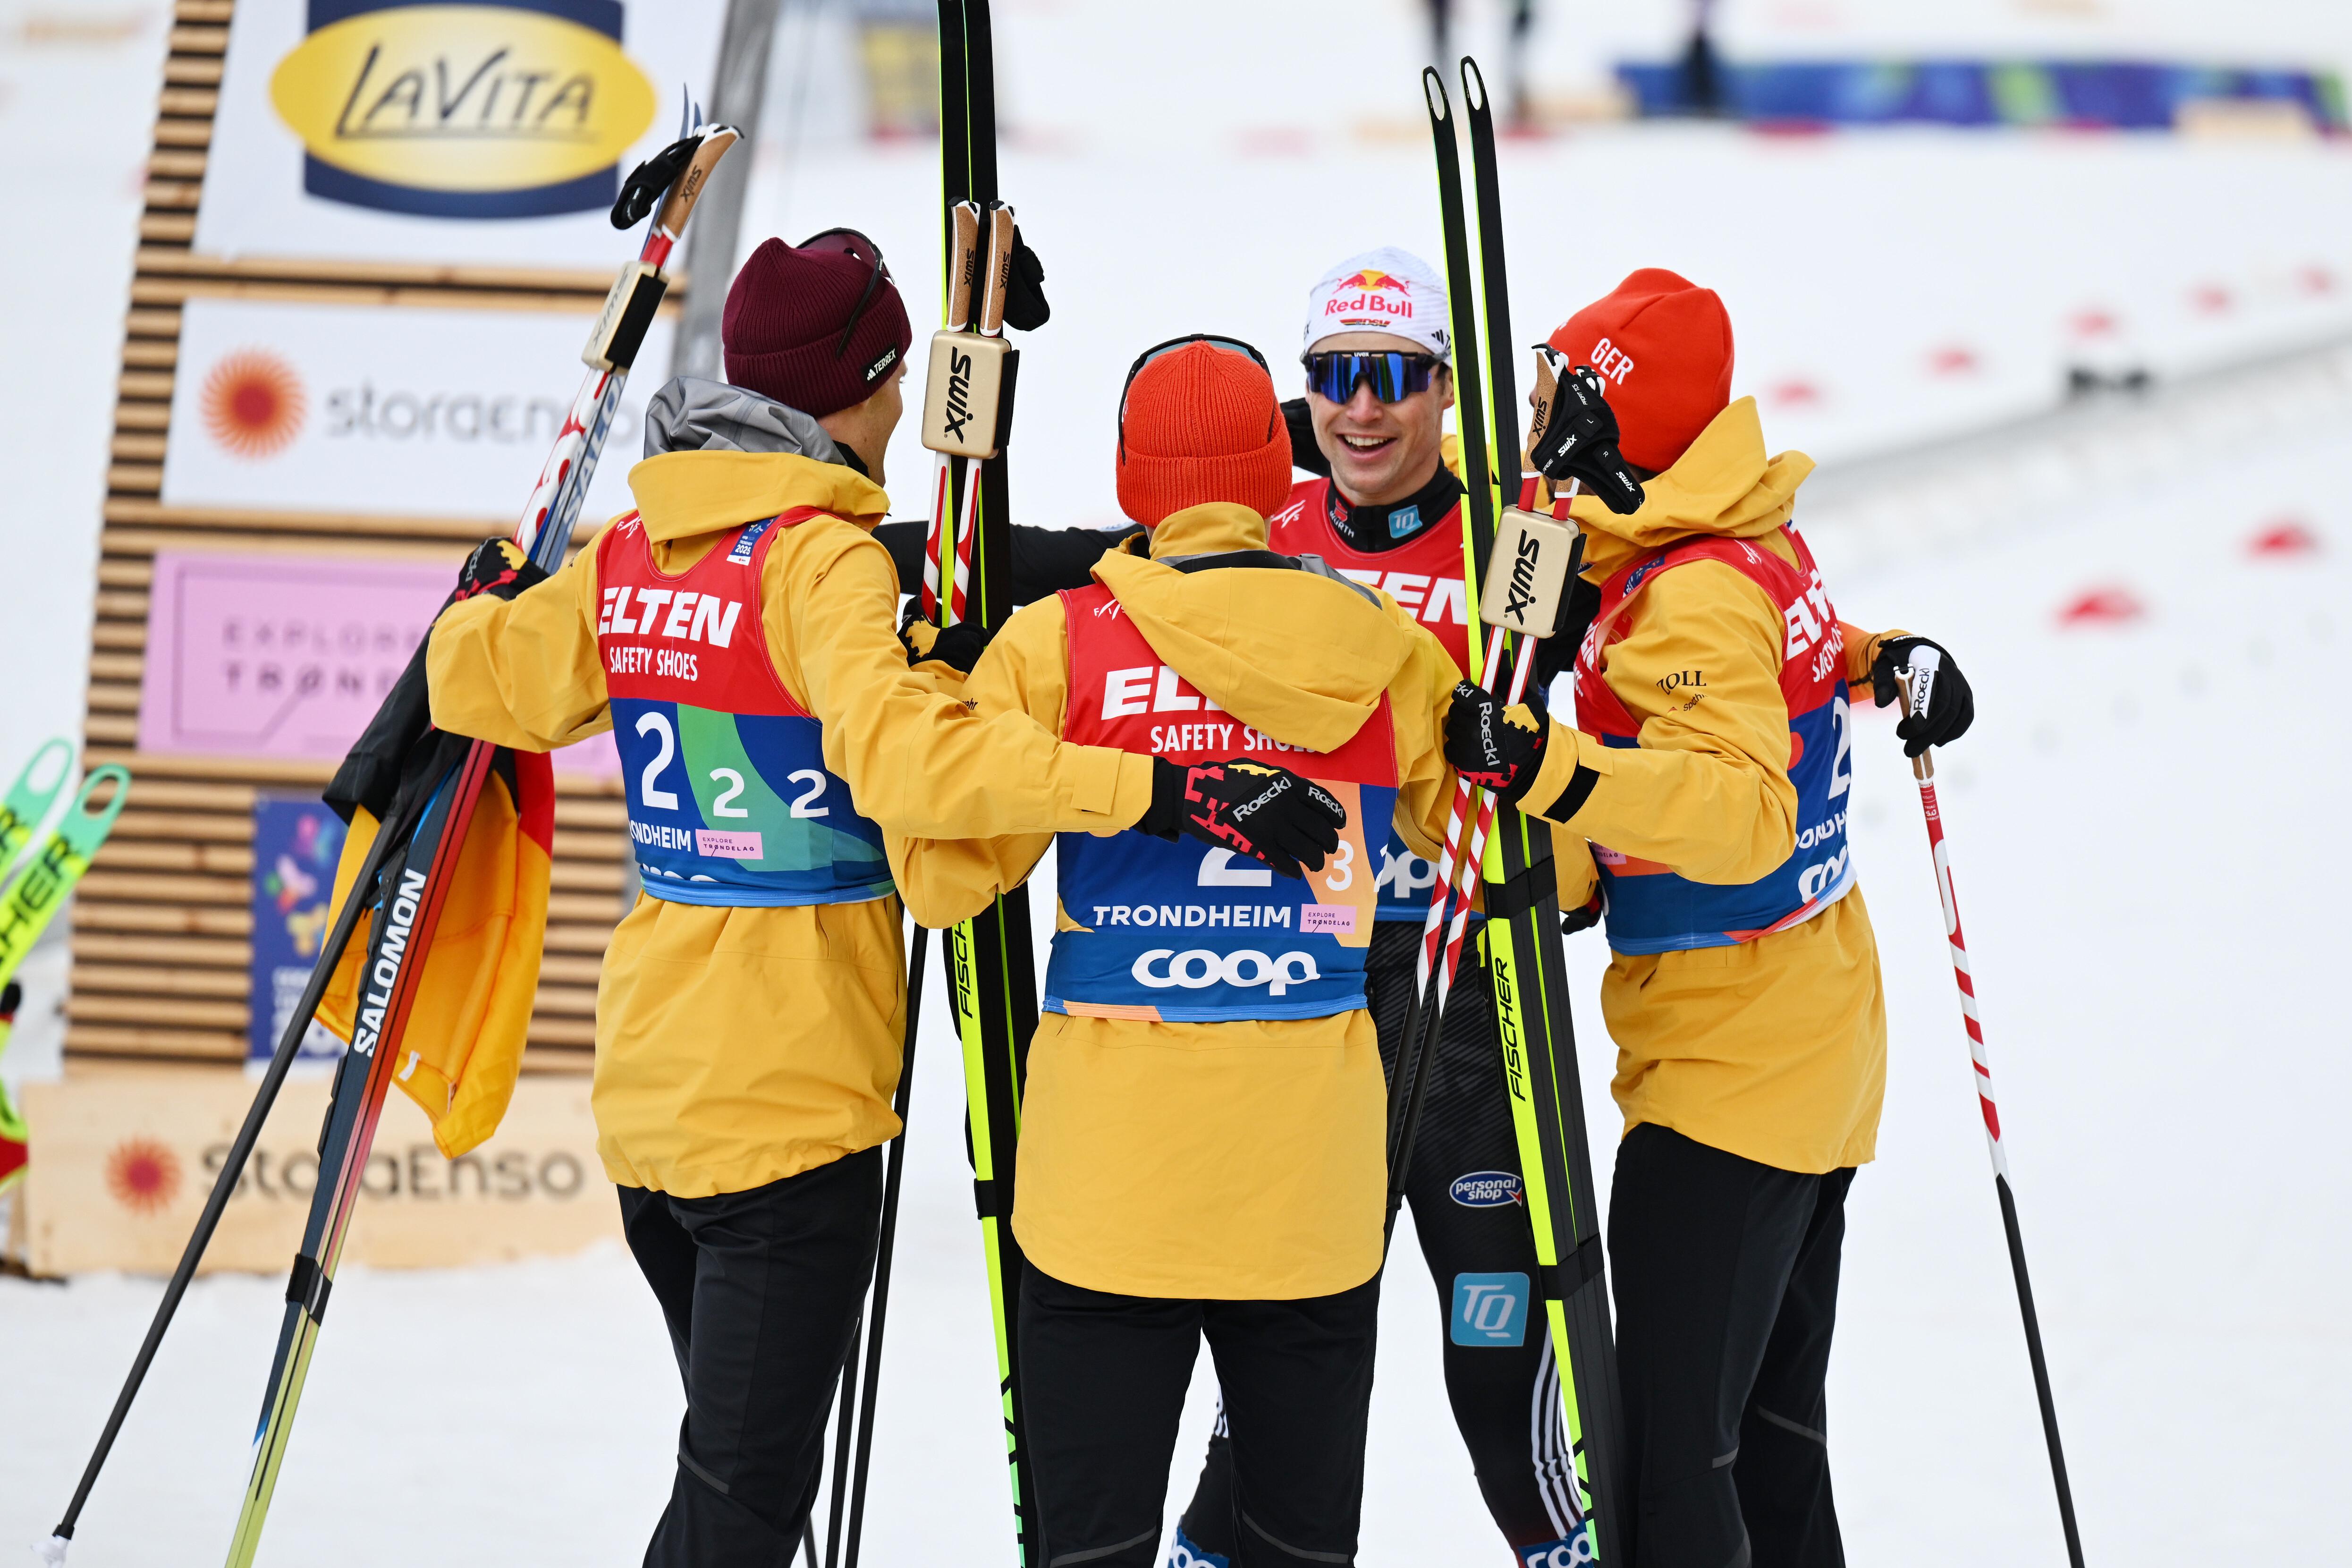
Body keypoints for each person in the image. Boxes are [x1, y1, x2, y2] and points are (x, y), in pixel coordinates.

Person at [420, 235, 1338, 1566]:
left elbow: (477, 678)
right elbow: (911, 757)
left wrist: (480, 604)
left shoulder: (632, 552)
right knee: (737, 1512)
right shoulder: (822, 565)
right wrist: (1147, 786)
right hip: (790, 1121)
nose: (906, 411)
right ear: (860, 386)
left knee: (734, 1484)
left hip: (654, 1107)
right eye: (900, 380)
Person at [892, 339, 1465, 1568]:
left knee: (1090, 1549)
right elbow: (1519, 862)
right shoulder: (1383, 648)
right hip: (1311, 1185)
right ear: (1279, 471)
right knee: (1295, 1546)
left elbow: (945, 877)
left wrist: (950, 685)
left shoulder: (1054, 647)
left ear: (1129, 477)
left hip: (1105, 1191)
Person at [1446, 268, 1977, 1568]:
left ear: (1604, 423)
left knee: (1675, 1476)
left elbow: (1737, 808)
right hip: (1808, 1048)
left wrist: (1547, 768)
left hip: (1732, 1080)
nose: (1526, 417)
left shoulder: (1689, 595)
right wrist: (1883, 652)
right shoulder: (1733, 530)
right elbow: (1786, 652)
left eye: (1550, 396)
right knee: (1769, 1442)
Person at [1170, 247, 1595, 1568]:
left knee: (1500, 1353)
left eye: (1394, 379)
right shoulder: (1267, 543)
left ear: (1445, 388)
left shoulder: (1507, 547)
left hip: (1468, 1000)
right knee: (1274, 1367)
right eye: (1335, 378)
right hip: (1308, 999)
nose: (1363, 410)